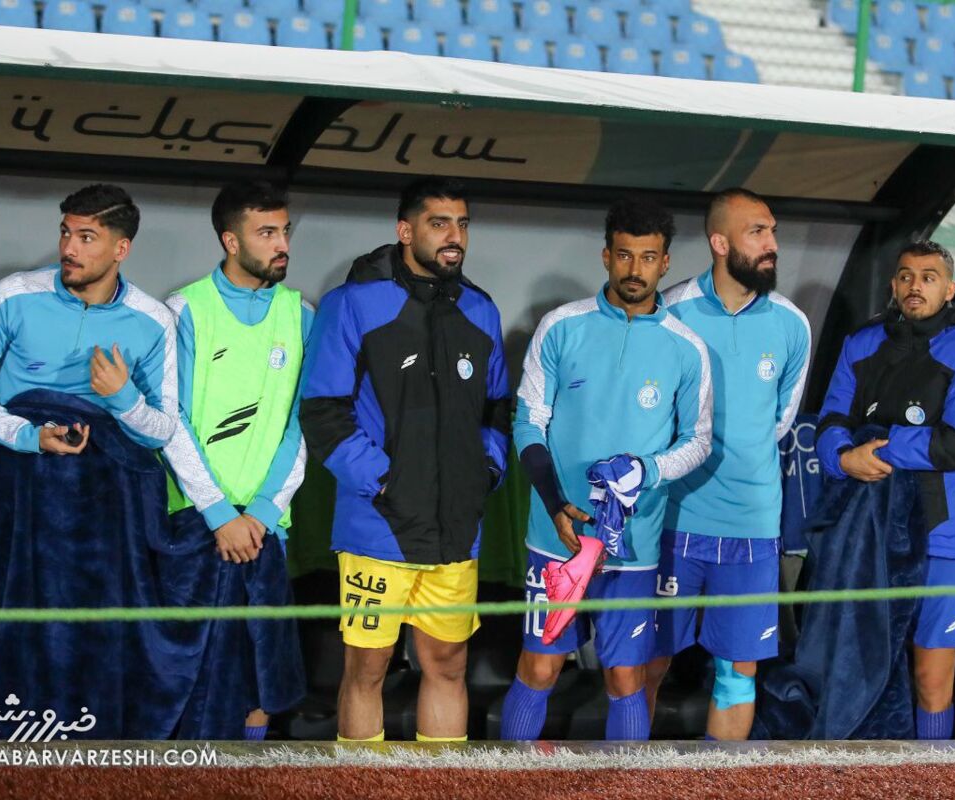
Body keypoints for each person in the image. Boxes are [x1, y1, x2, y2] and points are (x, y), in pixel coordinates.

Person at [0, 184, 184, 740]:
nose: (70, 248)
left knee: (86, 624)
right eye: (66, 233)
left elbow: (164, 427)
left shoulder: (152, 320)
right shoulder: (14, 294)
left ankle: (82, 738)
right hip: (15, 483)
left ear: (121, 248)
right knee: (2, 610)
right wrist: (27, 435)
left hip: (103, 499)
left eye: (87, 237)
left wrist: (123, 398)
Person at [300, 176, 510, 743]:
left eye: (462, 224)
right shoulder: (352, 303)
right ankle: (361, 784)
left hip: (455, 530)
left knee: (448, 666)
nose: (454, 236)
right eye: (439, 224)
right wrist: (385, 482)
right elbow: (322, 412)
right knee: (367, 671)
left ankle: (439, 783)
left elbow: (497, 408)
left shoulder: (481, 309)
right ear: (405, 230)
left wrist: (485, 471)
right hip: (379, 527)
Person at [500, 197, 712, 742]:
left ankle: (624, 782)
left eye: (648, 257)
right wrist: (555, 505)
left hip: (633, 546)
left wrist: (648, 469)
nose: (635, 269)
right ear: (606, 256)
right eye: (624, 255)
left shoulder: (687, 348)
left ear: (666, 262)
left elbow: (698, 442)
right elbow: (528, 424)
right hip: (557, 539)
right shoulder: (560, 326)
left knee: (625, 678)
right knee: (540, 667)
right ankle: (508, 780)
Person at [815, 240, 955, 740]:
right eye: (905, 276)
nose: (915, 285)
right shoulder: (862, 343)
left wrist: (879, 446)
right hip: (865, 537)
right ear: (893, 285)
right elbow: (830, 420)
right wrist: (842, 458)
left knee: (931, 679)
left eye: (928, 276)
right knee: (856, 674)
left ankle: (933, 776)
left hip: (942, 534)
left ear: (950, 288)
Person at [648, 187, 811, 741]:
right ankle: (627, 778)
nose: (772, 244)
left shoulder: (792, 323)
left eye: (773, 231)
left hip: (752, 527)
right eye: (757, 232)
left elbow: (779, 421)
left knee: (738, 676)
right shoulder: (670, 311)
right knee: (645, 665)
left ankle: (716, 781)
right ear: (720, 243)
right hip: (674, 522)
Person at [160, 181, 310, 740]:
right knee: (190, 678)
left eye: (284, 231)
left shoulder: (301, 314)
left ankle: (246, 776)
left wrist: (263, 513)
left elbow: (303, 425)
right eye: (266, 233)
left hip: (266, 527)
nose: (282, 244)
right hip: (194, 522)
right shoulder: (183, 309)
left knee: (260, 679)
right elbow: (170, 421)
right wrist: (220, 513)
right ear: (230, 240)